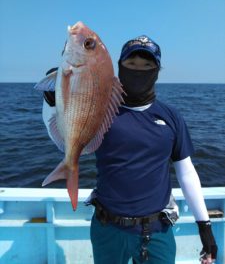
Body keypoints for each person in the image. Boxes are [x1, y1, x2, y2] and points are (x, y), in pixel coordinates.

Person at [42, 35, 217, 264]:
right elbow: (62, 133)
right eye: (131, 64)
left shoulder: (171, 116)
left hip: (157, 231)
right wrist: (53, 100)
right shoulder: (101, 111)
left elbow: (186, 172)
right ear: (119, 67)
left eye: (147, 65)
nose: (138, 70)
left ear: (157, 71)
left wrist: (204, 225)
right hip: (107, 228)